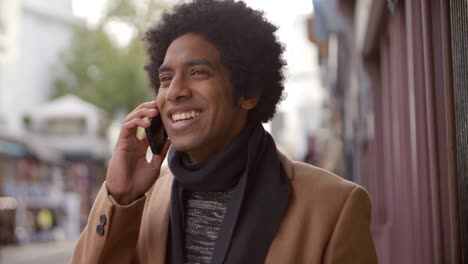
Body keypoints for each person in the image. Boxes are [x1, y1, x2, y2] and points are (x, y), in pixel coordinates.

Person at [71, 0, 377, 263]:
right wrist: (121, 197)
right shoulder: (143, 200)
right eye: (165, 78)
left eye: (198, 72)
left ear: (249, 92)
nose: (175, 91)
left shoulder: (335, 206)